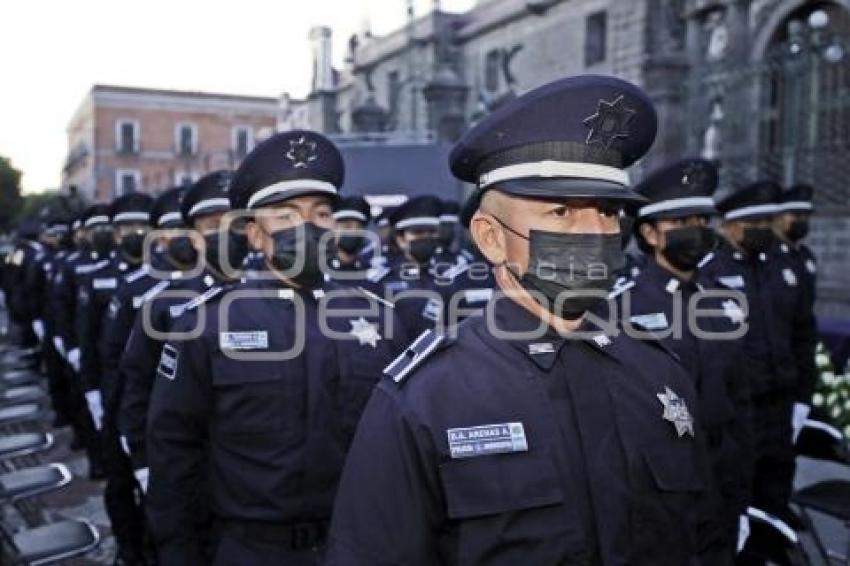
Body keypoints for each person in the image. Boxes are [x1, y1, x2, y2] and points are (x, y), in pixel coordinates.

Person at [327, 75, 709, 565]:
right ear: (490, 238)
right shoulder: (427, 397)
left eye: (610, 211)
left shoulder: (660, 372)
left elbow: (703, 538)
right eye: (561, 212)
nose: (596, 231)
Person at [145, 130, 406, 565]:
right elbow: (174, 452)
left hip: (361, 543)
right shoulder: (207, 323)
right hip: (251, 549)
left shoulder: (383, 317)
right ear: (255, 234)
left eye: (320, 213)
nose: (306, 227)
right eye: (285, 215)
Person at [628, 158, 750, 563]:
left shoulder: (722, 301)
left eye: (701, 219)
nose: (696, 231)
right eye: (681, 222)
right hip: (663, 483)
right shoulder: (623, 309)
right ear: (649, 232)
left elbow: (739, 392)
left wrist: (742, 488)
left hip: (723, 475)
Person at [701, 180, 816, 558]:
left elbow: (802, 333)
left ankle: (774, 549)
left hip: (779, 403)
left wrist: (802, 397)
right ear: (728, 226)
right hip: (739, 408)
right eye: (754, 223)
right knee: (738, 489)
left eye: (768, 223)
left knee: (776, 482)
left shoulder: (784, 267)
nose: (763, 231)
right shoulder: (709, 272)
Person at [120, 171, 243, 482]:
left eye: (233, 223)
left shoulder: (277, 296)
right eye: (212, 226)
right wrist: (143, 460)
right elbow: (139, 384)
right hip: (192, 462)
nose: (224, 234)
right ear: (194, 235)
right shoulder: (163, 304)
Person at [78, 192, 154, 565]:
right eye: (128, 227)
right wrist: (96, 395)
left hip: (157, 402)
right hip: (119, 397)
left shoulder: (168, 283)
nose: (136, 233)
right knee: (121, 484)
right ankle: (127, 547)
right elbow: (99, 347)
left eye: (144, 226)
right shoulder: (108, 279)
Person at [365, 195, 446, 337]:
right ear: (401, 239)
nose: (426, 238)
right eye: (418, 232)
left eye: (431, 232)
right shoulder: (382, 281)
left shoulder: (446, 278)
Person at [330, 195, 371, 276]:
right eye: (347, 226)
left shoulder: (373, 273)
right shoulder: (317, 272)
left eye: (359, 227)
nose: (354, 231)